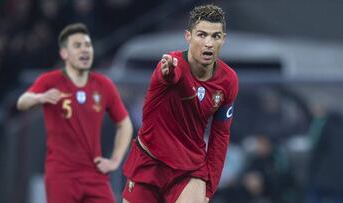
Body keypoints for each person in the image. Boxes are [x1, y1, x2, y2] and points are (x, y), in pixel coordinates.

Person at [122, 4, 239, 203]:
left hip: (189, 169)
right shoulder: (169, 65)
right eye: (201, 35)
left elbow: (221, 135)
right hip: (150, 163)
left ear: (224, 39)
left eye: (215, 36)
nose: (208, 43)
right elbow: (169, 76)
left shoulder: (228, 81)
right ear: (188, 36)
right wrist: (168, 72)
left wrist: (209, 188)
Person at [16, 23, 133, 203]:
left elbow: (124, 123)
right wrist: (40, 98)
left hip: (94, 174)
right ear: (64, 53)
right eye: (77, 46)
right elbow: (22, 102)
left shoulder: (104, 85)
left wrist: (115, 160)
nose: (84, 50)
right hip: (62, 175)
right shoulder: (51, 80)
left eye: (87, 45)